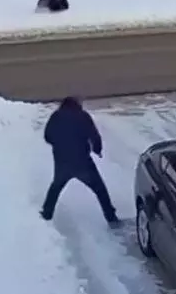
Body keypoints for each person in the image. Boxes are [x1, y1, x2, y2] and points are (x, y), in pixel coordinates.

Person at [40, 96, 119, 224]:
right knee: (100, 189)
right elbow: (94, 136)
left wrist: (59, 144)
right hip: (82, 162)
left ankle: (46, 214)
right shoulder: (83, 116)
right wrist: (97, 150)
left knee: (55, 187)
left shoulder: (56, 116)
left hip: (62, 161)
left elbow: (47, 136)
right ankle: (111, 218)